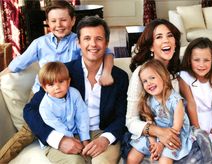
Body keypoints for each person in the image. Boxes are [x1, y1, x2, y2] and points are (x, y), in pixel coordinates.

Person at [23, 16, 129, 164]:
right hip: (67, 132)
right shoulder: (63, 72)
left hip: (102, 133)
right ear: (78, 43)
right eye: (87, 38)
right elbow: (30, 110)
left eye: (99, 38)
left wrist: (106, 139)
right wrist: (58, 140)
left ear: (106, 43)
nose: (93, 44)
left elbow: (122, 115)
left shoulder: (119, 77)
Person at [124, 19, 212, 163]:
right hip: (151, 133)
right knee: (132, 156)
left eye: (170, 35)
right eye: (159, 37)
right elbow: (131, 120)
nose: (166, 40)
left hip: (175, 132)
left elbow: (187, 106)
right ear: (151, 47)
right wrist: (157, 134)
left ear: (175, 43)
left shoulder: (179, 73)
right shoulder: (141, 73)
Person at [0, 0, 114, 91]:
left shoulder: (79, 41)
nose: (58, 25)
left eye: (63, 20)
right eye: (53, 21)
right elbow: (18, 63)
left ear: (73, 20)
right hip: (43, 90)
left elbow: (107, 52)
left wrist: (107, 73)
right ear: (48, 23)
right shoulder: (40, 43)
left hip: (70, 90)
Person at [127, 59, 195, 163]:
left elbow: (176, 129)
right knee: (132, 157)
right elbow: (150, 123)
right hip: (155, 134)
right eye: (145, 81)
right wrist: (153, 143)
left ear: (164, 77)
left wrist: (161, 144)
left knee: (164, 160)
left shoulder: (176, 101)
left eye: (152, 78)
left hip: (174, 135)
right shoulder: (148, 101)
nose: (148, 83)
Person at [38, 61, 90, 162]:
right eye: (51, 84)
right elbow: (59, 128)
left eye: (61, 82)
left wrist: (84, 139)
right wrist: (75, 143)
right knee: (75, 161)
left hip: (75, 133)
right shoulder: (45, 107)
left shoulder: (74, 93)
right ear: (44, 87)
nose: (57, 87)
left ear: (68, 81)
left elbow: (82, 116)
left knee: (90, 155)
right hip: (57, 141)